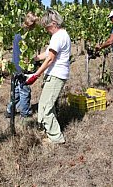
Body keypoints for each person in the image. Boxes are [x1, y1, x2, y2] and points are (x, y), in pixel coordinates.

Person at [25, 9, 71, 144]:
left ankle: (56, 138)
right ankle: (50, 132)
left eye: (48, 27)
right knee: (47, 105)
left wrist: (36, 74)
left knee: (45, 108)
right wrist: (36, 58)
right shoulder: (63, 34)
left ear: (54, 23)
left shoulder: (57, 36)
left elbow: (50, 58)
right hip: (56, 74)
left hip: (56, 75)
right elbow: (48, 53)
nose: (46, 30)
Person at [5, 12, 39, 120]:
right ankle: (25, 114)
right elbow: (24, 55)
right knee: (25, 91)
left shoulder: (17, 33)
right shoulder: (25, 36)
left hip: (15, 66)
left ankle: (10, 110)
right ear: (31, 25)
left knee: (16, 91)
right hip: (21, 68)